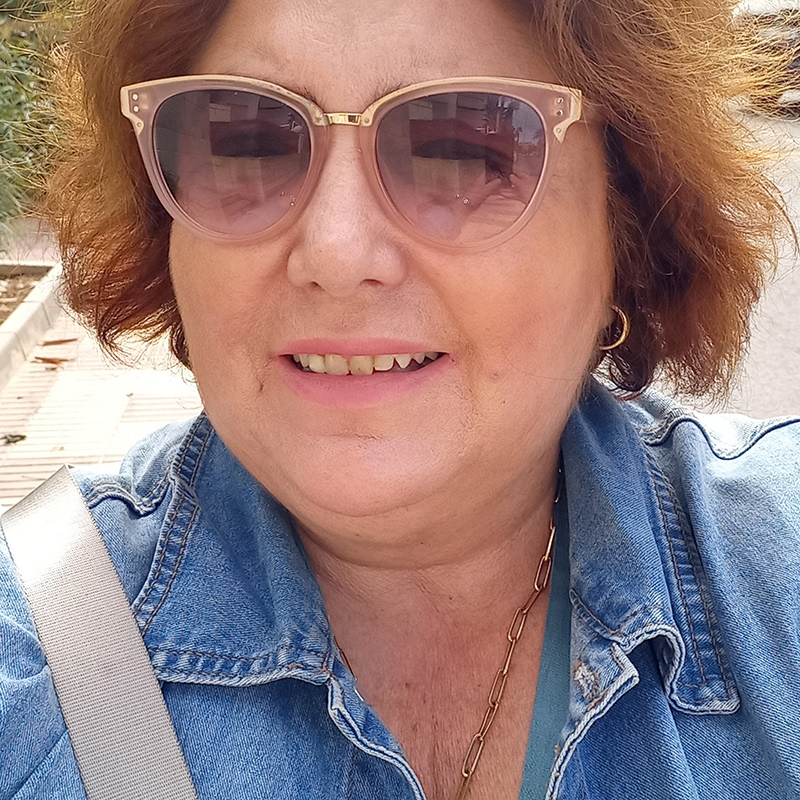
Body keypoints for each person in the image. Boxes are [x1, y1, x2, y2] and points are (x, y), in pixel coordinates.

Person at [1, 0, 799, 798]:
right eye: (245, 144)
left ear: (626, 234)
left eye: (462, 151)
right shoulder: (33, 661)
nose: (336, 252)